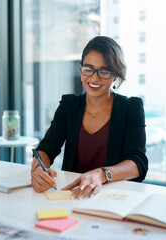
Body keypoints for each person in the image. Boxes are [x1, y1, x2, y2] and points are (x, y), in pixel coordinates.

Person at [31, 36, 148, 199]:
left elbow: (138, 163)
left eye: (104, 71)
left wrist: (101, 174)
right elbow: (47, 147)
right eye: (88, 68)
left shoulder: (131, 108)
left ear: (115, 75)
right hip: (73, 196)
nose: (94, 77)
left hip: (112, 197)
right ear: (81, 69)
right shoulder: (69, 105)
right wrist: (38, 170)